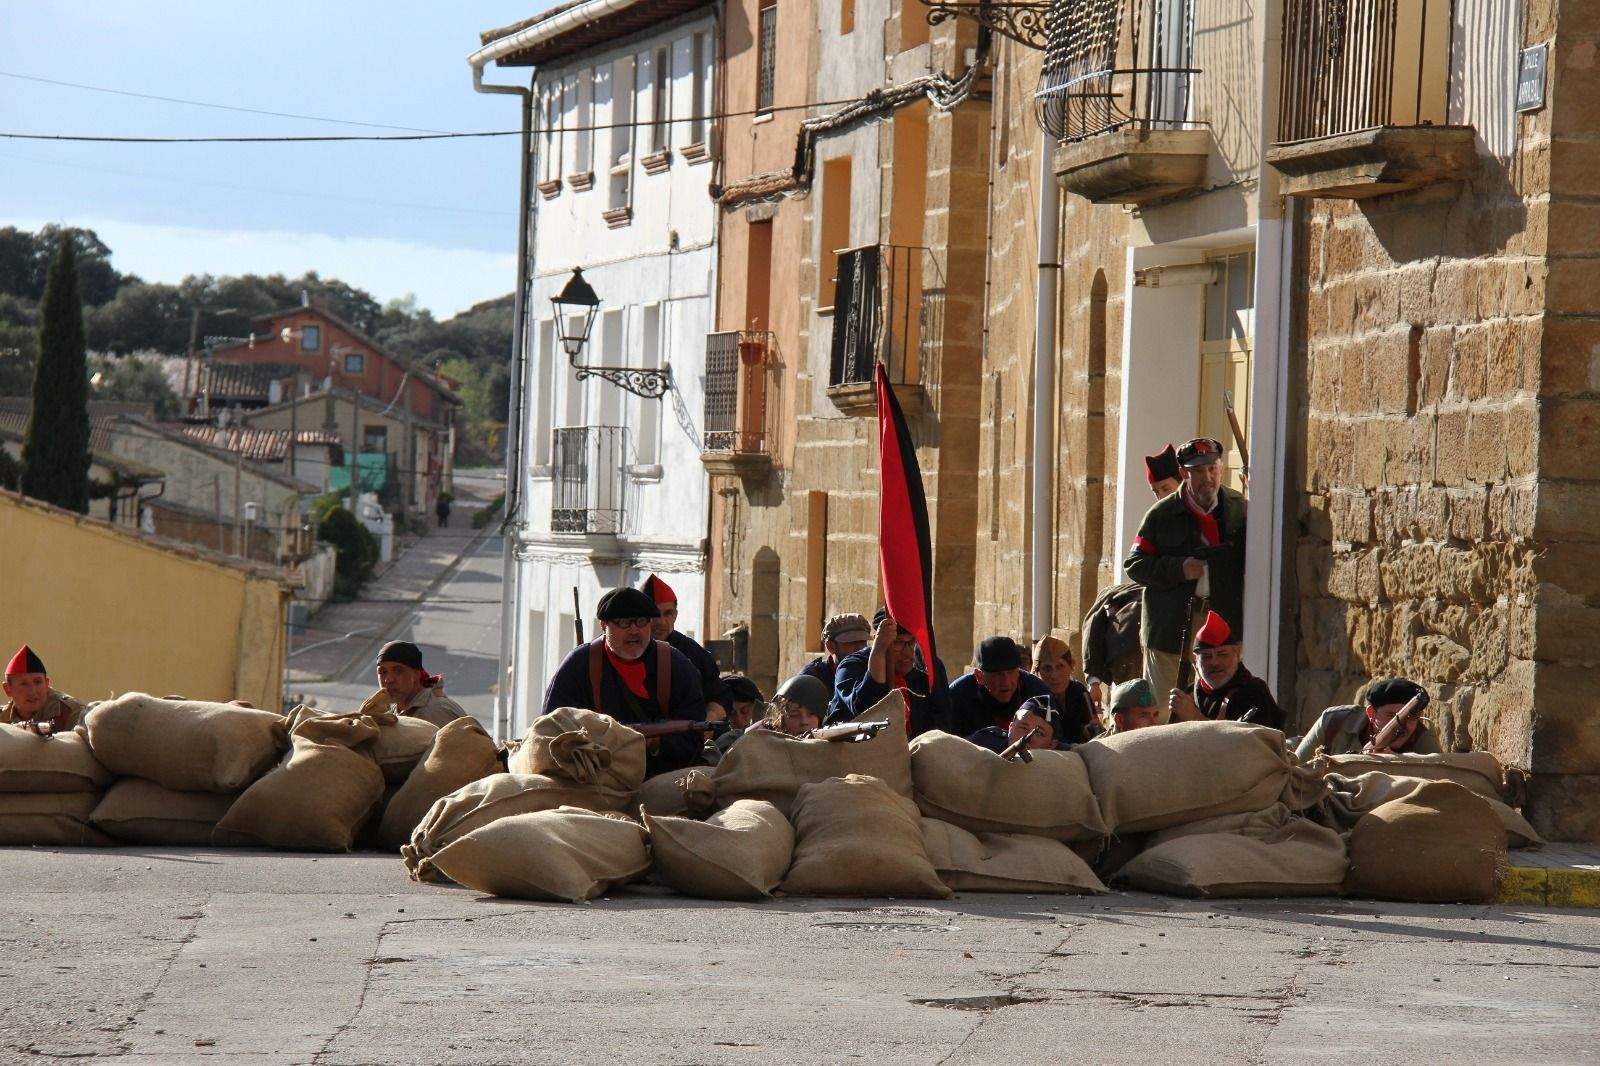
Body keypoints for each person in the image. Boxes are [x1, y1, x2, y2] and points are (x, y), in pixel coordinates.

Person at [1125, 436, 1247, 718]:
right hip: (1171, 626)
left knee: (1220, 705)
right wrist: (1178, 568)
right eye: (1198, 471)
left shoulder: (1237, 508)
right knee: (1162, 710)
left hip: (1221, 623)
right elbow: (1136, 563)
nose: (1208, 478)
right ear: (1184, 474)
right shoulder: (1162, 513)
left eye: (1213, 469)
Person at [543, 586, 712, 773]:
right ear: (603, 625)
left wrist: (655, 743)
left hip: (660, 776)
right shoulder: (578, 665)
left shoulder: (675, 665)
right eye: (624, 622)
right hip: (593, 776)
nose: (634, 631)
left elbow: (693, 739)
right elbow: (552, 728)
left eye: (641, 621)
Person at [828, 609, 951, 736]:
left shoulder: (927, 668)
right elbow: (863, 708)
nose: (908, 653)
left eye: (912, 642)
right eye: (898, 643)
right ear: (878, 640)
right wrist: (879, 653)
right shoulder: (852, 666)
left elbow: (941, 722)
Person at [1167, 611, 1285, 730]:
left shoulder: (1254, 692)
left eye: (1222, 654)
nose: (1215, 663)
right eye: (1206, 656)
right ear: (1195, 661)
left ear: (1237, 654)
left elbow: (1249, 744)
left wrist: (1195, 717)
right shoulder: (1189, 695)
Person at [641, 574, 730, 720]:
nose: (661, 622)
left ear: (675, 615)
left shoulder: (693, 652)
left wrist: (707, 722)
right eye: (654, 614)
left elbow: (720, 695)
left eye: (668, 613)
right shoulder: (627, 650)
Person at [1294, 676, 1443, 760]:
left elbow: (1440, 784)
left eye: (1412, 717)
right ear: (1371, 713)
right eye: (1391, 716)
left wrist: (1397, 762)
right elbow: (1295, 768)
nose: (1402, 726)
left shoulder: (1423, 740)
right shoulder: (1334, 721)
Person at [947, 636, 1052, 738]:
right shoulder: (957, 697)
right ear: (980, 676)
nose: (1005, 682)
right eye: (997, 674)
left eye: (1011, 672)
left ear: (1019, 672)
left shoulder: (1039, 694)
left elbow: (1054, 740)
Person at [367, 641, 470, 728]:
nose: (388, 680)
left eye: (398, 671)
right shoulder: (389, 712)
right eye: (383, 672)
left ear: (416, 674)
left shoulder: (437, 710)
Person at [1029, 635, 1101, 745]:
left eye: (1060, 666)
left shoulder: (1079, 691)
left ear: (1072, 666)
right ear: (1037, 671)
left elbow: (1092, 727)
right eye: (1047, 668)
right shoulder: (1033, 700)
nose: (1054, 675)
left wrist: (1089, 731)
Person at [1, 646, 84, 735]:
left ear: (46, 684)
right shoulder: (2, 719)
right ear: (8, 689)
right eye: (24, 684)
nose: (33, 691)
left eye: (37, 682)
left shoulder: (71, 712)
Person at [799, 613, 872, 699]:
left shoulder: (873, 670)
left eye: (862, 642)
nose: (860, 648)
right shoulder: (813, 678)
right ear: (830, 646)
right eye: (851, 643)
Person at [966, 701, 1061, 755]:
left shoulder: (1057, 769)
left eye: (1039, 733)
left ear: (1051, 745)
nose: (1028, 738)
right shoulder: (983, 742)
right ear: (1010, 728)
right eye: (1023, 728)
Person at [752, 673, 831, 737]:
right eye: (795, 715)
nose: (804, 721)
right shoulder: (765, 743)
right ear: (781, 719)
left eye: (811, 714)